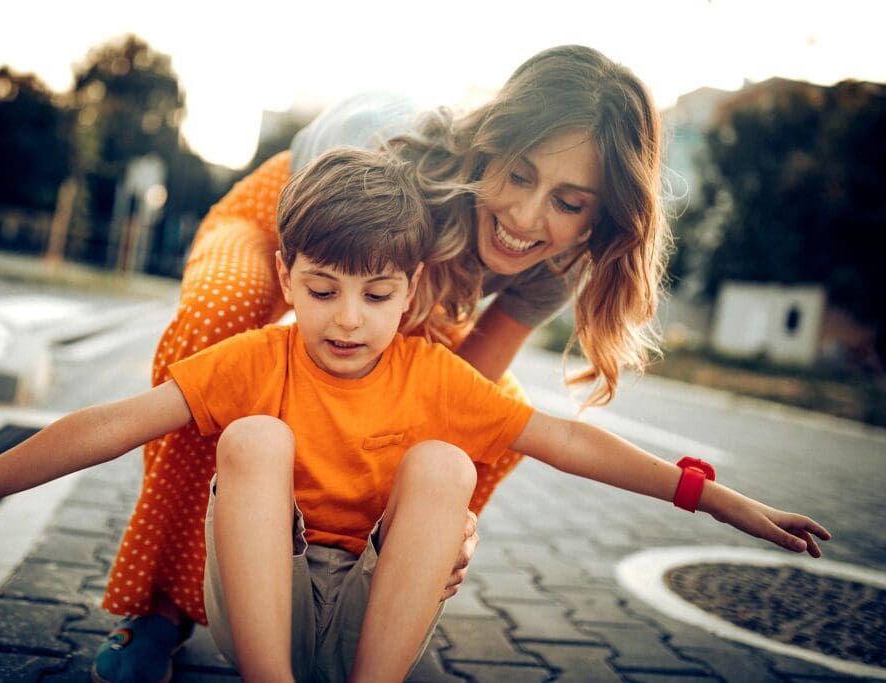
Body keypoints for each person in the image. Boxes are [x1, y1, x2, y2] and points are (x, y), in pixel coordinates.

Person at [0, 148, 830, 683]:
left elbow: (569, 438)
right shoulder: (261, 356)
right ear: (288, 276)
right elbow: (106, 424)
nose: (346, 320)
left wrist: (715, 497)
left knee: (446, 467)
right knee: (254, 434)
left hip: (372, 618)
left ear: (412, 292)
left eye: (375, 295)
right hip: (260, 618)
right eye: (321, 290)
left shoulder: (426, 372)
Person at [102, 43, 674, 678]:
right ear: (490, 142)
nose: (525, 216)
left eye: (569, 203)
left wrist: (436, 526)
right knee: (220, 320)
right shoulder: (397, 150)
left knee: (495, 425)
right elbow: (319, 276)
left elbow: (464, 395)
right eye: (517, 174)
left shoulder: (558, 262)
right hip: (289, 223)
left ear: (603, 216)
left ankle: (355, 597)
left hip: (403, 290)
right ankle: (160, 608)